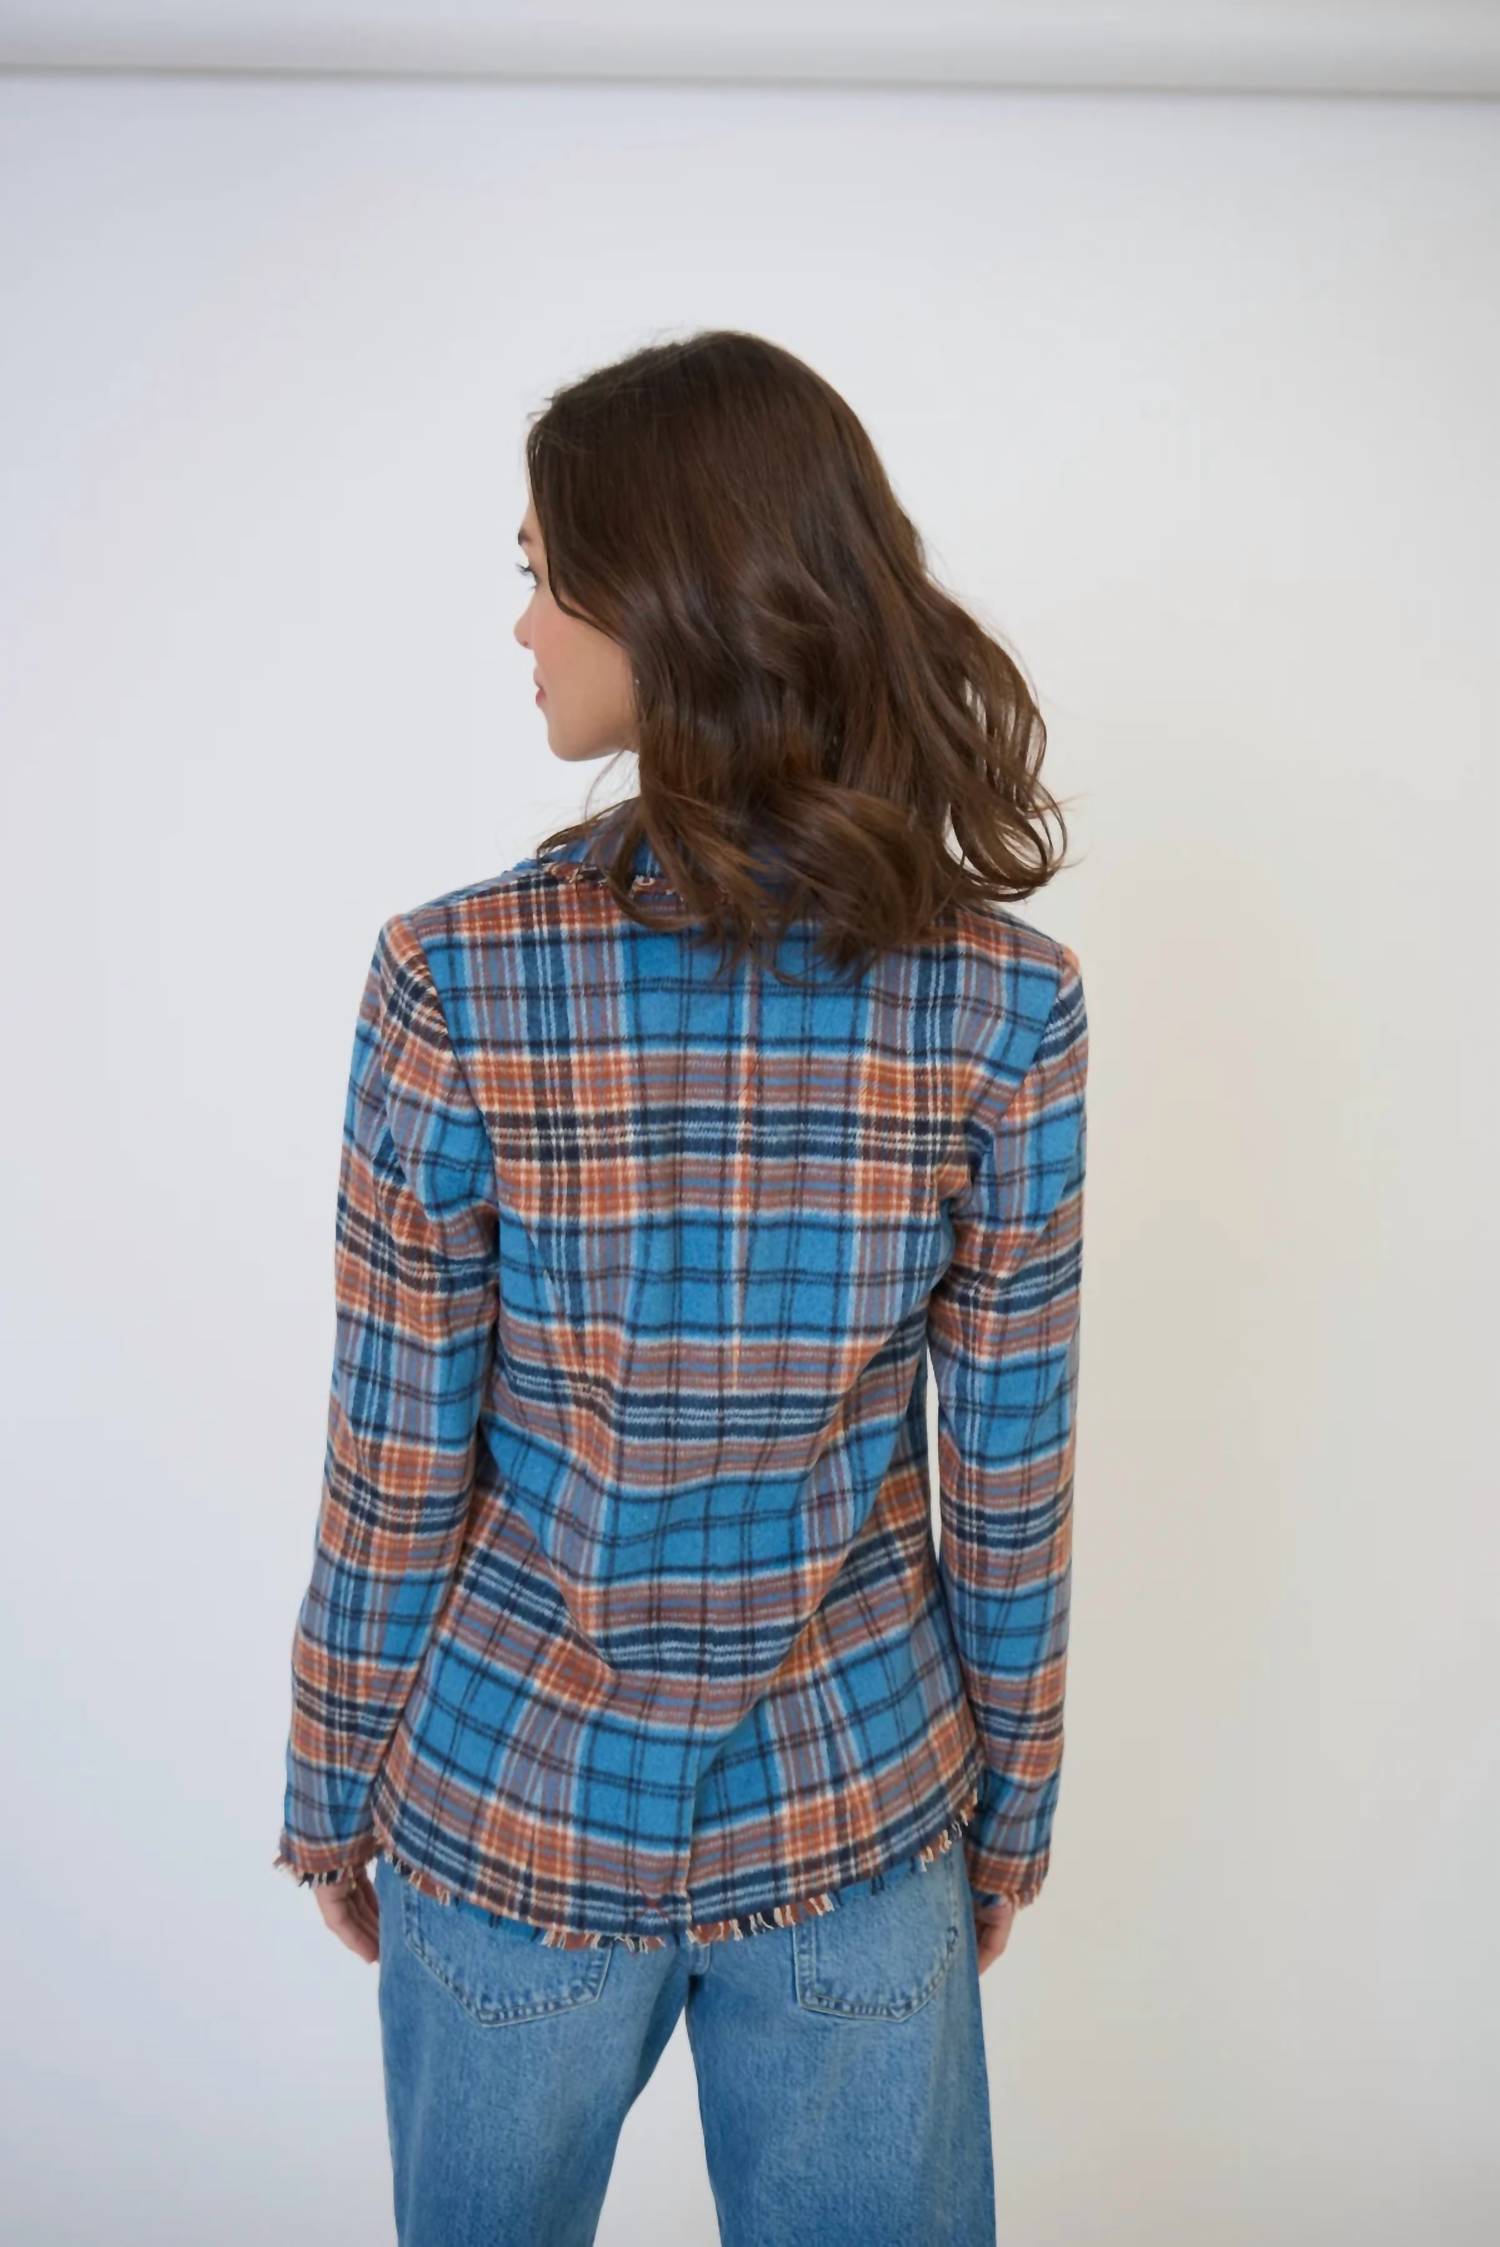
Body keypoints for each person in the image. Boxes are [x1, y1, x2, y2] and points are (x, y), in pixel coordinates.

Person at [273, 328, 1089, 2247]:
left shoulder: (453, 980)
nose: (524, 624)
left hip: (512, 1799)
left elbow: (398, 1458)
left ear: (673, 599)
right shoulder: (1006, 1004)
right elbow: (1010, 1473)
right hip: (859, 1807)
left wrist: (332, 1780)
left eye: (548, 574)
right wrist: (1013, 1803)